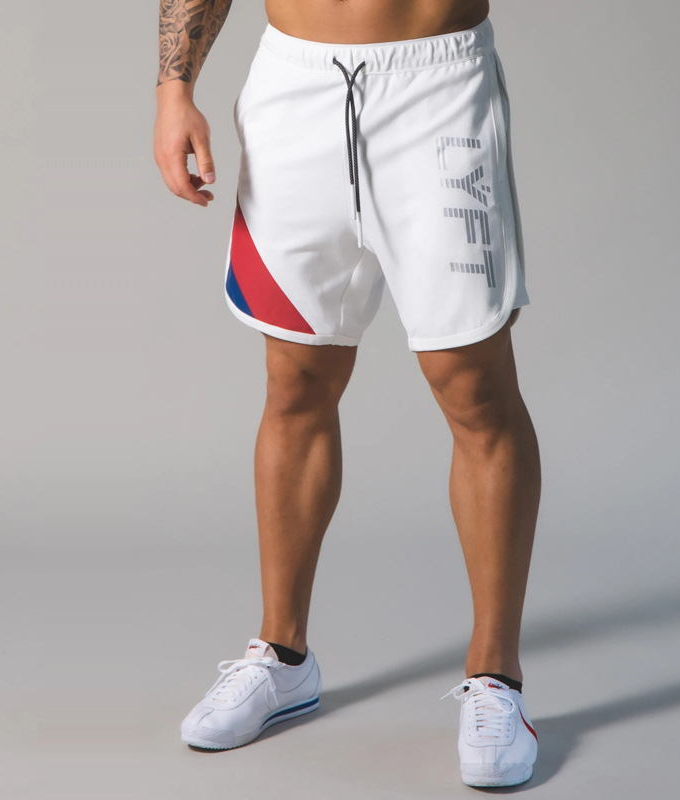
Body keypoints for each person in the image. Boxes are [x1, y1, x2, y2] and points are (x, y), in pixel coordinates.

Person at [154, 0, 541, 788]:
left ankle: (496, 677)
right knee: (295, 380)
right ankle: (283, 655)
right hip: (294, 86)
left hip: (438, 89)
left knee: (473, 387)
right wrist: (174, 90)